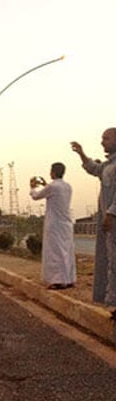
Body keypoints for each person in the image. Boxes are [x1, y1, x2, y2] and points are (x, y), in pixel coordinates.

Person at [71, 128, 116, 307]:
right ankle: (111, 300)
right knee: (110, 262)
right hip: (109, 224)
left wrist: (111, 213)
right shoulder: (108, 166)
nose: (102, 142)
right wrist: (81, 153)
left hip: (112, 220)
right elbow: (93, 168)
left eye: (106, 138)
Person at [29, 163, 75, 290]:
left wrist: (32, 187)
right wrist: (46, 185)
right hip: (66, 223)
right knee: (67, 251)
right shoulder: (67, 186)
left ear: (53, 172)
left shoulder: (53, 186)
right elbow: (53, 192)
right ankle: (69, 278)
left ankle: (57, 280)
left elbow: (36, 196)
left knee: (55, 252)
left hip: (55, 224)